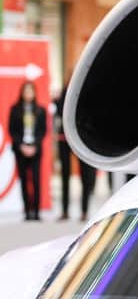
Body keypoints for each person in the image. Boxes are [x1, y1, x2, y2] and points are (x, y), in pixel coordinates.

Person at [54, 84, 96, 221]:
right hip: (65, 138)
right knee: (65, 174)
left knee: (86, 176)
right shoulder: (65, 91)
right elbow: (59, 113)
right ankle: (65, 210)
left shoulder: (89, 94)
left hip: (83, 138)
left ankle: (84, 210)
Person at [9, 81, 47, 221]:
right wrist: (22, 146)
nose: (28, 94)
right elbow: (12, 130)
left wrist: (34, 145)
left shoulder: (40, 110)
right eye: (26, 91)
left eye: (31, 91)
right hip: (21, 149)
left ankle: (36, 212)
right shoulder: (15, 110)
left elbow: (43, 130)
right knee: (24, 181)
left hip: (35, 149)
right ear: (22, 93)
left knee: (36, 181)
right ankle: (27, 212)